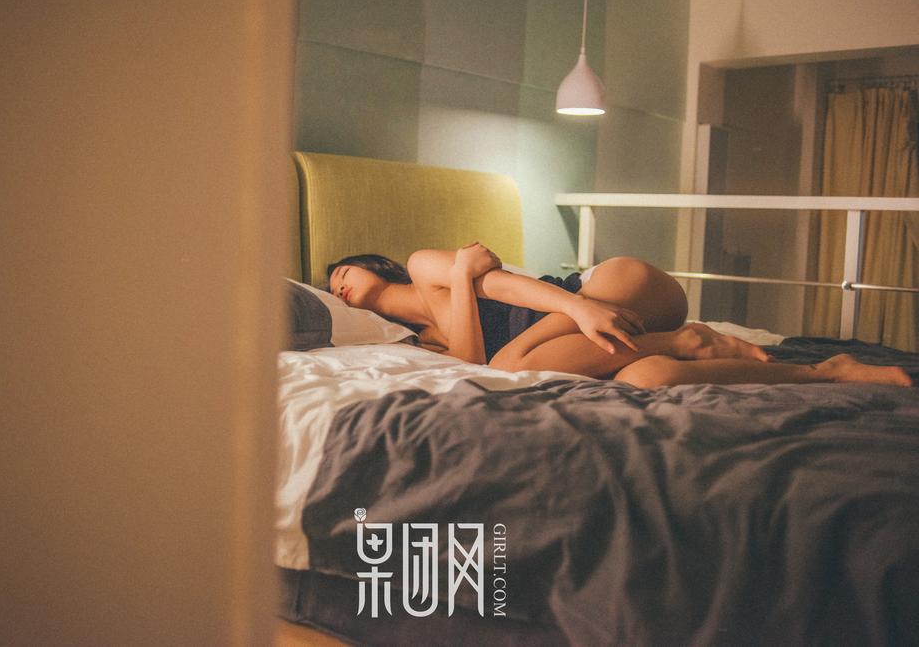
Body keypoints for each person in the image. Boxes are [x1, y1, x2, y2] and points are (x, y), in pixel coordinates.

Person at [325, 243, 913, 389]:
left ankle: (684, 339)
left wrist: (580, 305)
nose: (339, 286)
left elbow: (511, 286)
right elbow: (472, 360)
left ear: (372, 263)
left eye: (342, 272)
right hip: (612, 335)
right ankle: (824, 372)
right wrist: (461, 278)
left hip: (611, 290)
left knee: (510, 366)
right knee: (649, 379)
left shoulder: (420, 264)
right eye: (329, 289)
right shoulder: (418, 344)